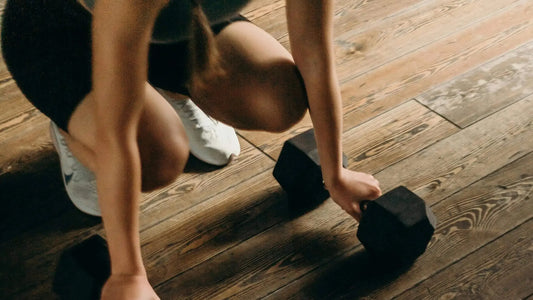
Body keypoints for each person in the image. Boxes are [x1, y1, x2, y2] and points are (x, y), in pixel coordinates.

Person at [1, 0, 382, 298]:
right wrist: (127, 274)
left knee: (278, 99)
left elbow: (313, 55)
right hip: (63, 35)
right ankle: (71, 124)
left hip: (177, 25)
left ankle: (171, 91)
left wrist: (334, 174)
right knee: (157, 157)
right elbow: (118, 134)